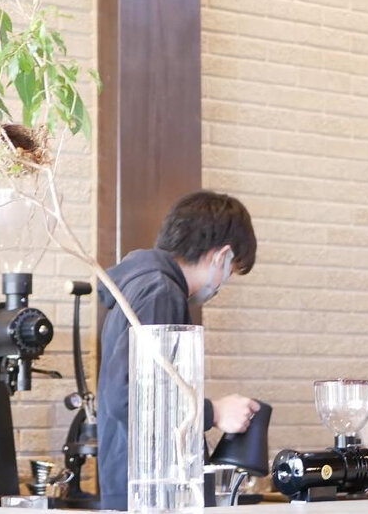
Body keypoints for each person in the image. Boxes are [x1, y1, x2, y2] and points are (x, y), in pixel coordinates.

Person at [96, 190, 261, 510]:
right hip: (149, 493)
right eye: (230, 271)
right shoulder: (160, 292)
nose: (223, 283)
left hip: (130, 486)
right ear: (222, 256)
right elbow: (127, 398)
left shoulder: (139, 285)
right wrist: (214, 412)